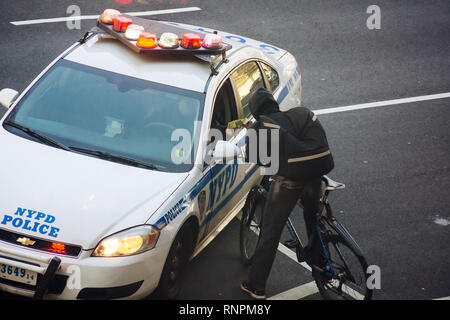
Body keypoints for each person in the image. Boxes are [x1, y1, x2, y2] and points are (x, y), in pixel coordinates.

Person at [240, 88, 334, 300]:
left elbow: (260, 159)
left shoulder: (262, 126)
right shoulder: (298, 115)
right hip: (317, 172)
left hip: (290, 182)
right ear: (274, 104)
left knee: (270, 233)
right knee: (312, 214)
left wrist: (254, 134)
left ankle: (255, 286)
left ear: (256, 111)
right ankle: (320, 261)